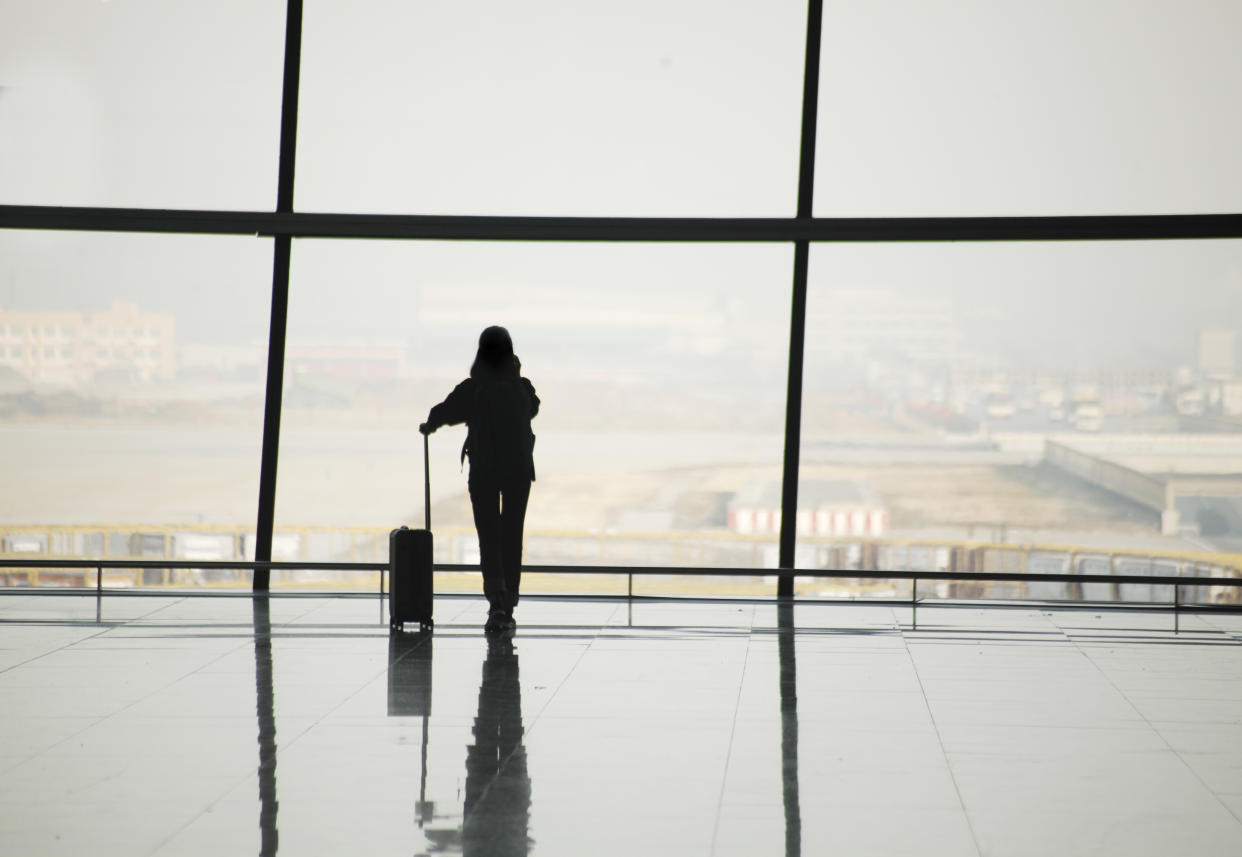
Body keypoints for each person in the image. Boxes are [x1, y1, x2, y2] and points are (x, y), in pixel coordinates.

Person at [420, 326, 538, 634]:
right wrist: (516, 373)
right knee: (512, 534)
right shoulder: (521, 387)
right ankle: (509, 602)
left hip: (484, 472)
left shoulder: (474, 388)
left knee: (489, 536)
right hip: (518, 473)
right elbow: (534, 408)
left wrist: (430, 424)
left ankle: (496, 602)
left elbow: (447, 410)